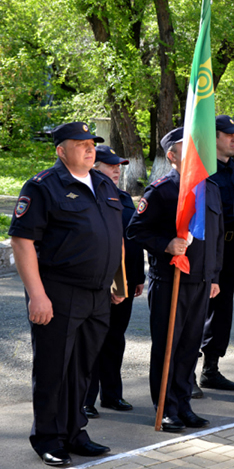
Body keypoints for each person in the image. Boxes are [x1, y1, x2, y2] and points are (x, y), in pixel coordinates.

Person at [10, 122, 123, 465]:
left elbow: (113, 236)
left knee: (81, 371)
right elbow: (22, 240)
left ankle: (74, 432)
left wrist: (117, 282)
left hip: (98, 294)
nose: (90, 149)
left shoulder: (104, 183)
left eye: (92, 144)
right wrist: (37, 295)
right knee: (52, 369)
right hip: (59, 292)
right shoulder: (44, 186)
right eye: (80, 144)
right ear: (61, 150)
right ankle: (47, 437)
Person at [127, 127, 223, 432]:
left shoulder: (210, 187)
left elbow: (216, 237)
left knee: (189, 345)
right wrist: (166, 244)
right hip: (171, 280)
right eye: (187, 146)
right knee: (168, 344)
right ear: (172, 155)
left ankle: (183, 404)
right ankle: (165, 407)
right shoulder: (161, 190)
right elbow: (136, 230)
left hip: (200, 281)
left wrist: (214, 276)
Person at [84, 145, 145, 419]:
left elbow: (133, 238)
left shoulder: (123, 197)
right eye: (110, 165)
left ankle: (112, 394)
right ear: (94, 167)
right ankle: (86, 398)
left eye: (119, 165)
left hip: (126, 282)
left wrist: (139, 276)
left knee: (115, 339)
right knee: (91, 341)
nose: (117, 170)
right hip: (99, 282)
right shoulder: (88, 196)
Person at [195, 116, 234, 395]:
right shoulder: (200, 169)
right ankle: (186, 372)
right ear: (213, 137)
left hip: (229, 248)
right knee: (196, 310)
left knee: (221, 310)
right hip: (203, 248)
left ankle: (210, 369)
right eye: (228, 134)